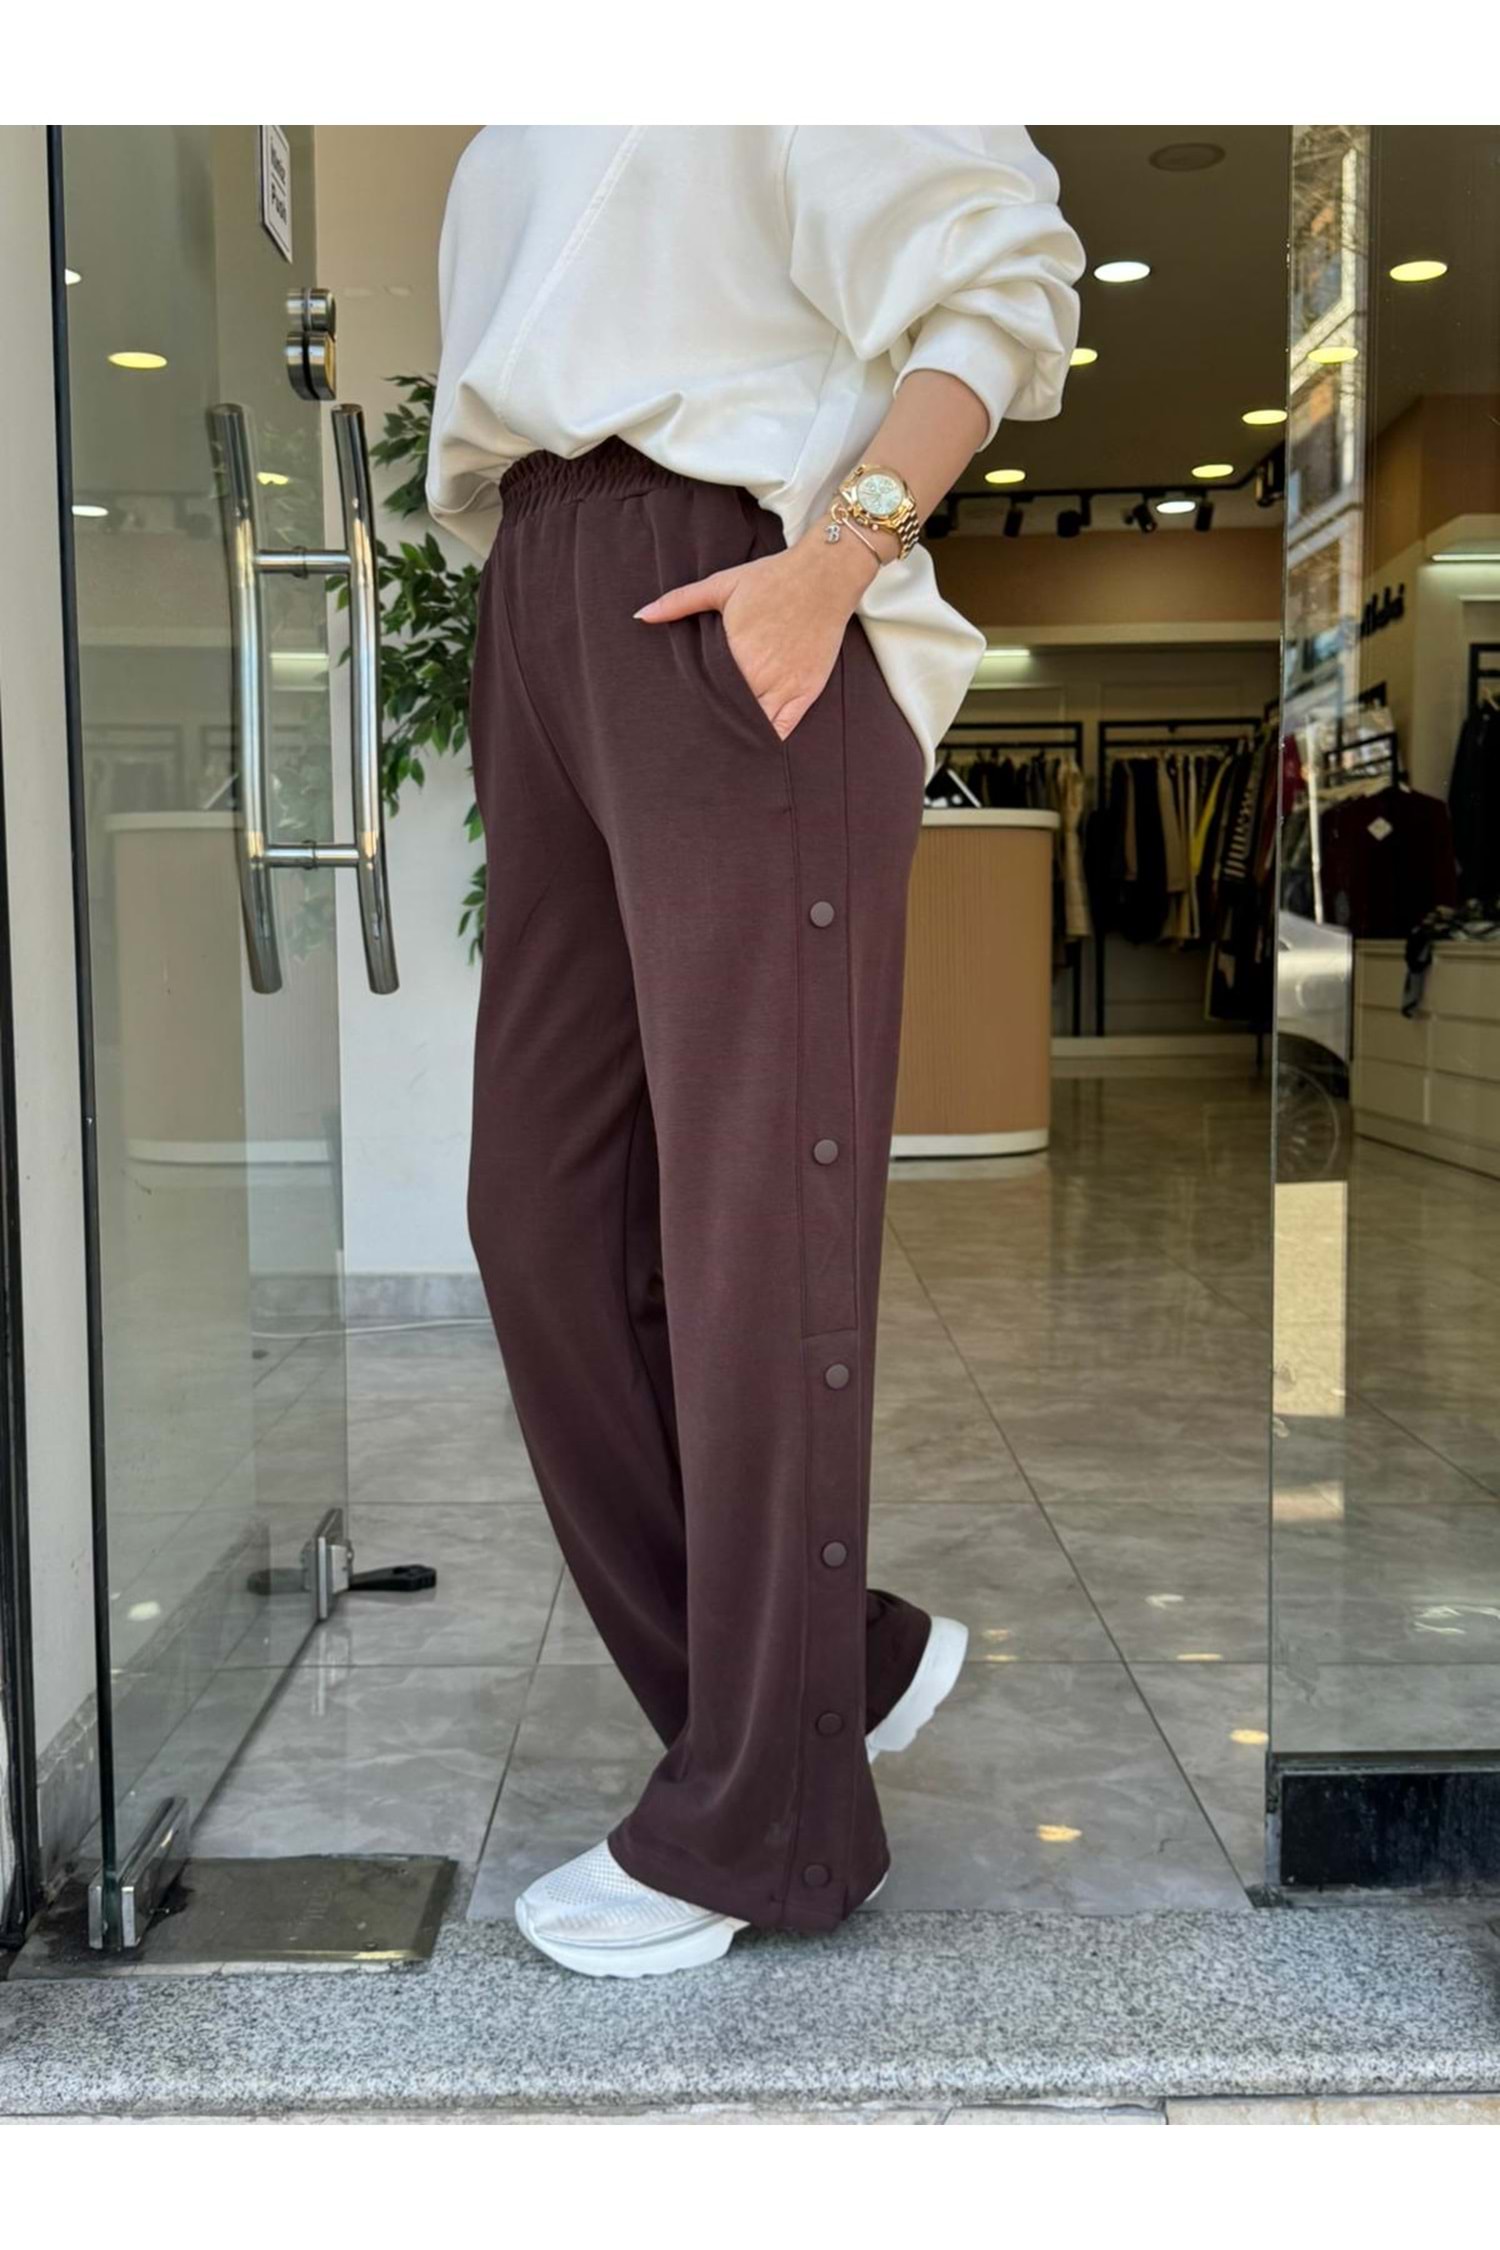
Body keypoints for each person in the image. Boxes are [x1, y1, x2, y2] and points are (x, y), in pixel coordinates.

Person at [427, 125, 1083, 1977]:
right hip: (542, 591)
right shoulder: (502, 121)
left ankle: (775, 1820)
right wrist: (529, 608)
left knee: (749, 1235)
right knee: (541, 1220)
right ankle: (828, 1673)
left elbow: (1007, 278)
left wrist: (840, 557)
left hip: (730, 571)